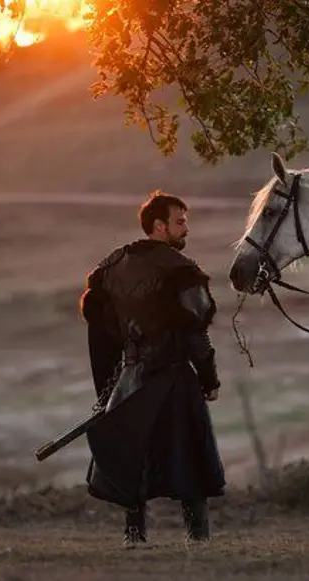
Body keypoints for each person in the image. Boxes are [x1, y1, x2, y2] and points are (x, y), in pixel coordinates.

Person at [78, 190, 226, 544]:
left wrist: (108, 390)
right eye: (180, 222)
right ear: (159, 226)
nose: (185, 228)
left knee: (136, 456)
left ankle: (134, 535)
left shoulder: (111, 267)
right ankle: (198, 536)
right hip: (174, 376)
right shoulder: (180, 271)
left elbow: (101, 332)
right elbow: (195, 332)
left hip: (131, 380)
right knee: (191, 453)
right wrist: (209, 378)